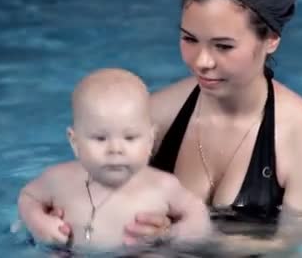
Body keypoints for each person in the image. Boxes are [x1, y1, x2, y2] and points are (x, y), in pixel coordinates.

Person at [22, 0, 302, 255]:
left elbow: (297, 245)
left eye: (223, 46)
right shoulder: (158, 114)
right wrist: (40, 219)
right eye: (189, 39)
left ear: (270, 40)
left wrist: (183, 239)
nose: (202, 61)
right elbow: (77, 190)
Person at [17, 68, 213, 253]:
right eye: (100, 138)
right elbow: (29, 197)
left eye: (130, 138)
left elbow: (197, 214)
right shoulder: (58, 179)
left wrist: (171, 235)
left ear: (150, 140)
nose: (115, 149)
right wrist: (38, 222)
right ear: (75, 142)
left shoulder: (163, 185)